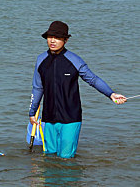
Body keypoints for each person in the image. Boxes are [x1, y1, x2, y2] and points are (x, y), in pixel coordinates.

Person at [29, 21, 127, 159]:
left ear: (66, 40)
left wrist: (111, 94)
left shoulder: (74, 60)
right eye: (50, 36)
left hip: (71, 118)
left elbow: (93, 79)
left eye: (57, 37)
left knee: (66, 158)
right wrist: (32, 112)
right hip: (48, 117)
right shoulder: (41, 60)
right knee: (49, 157)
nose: (52, 40)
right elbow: (37, 88)